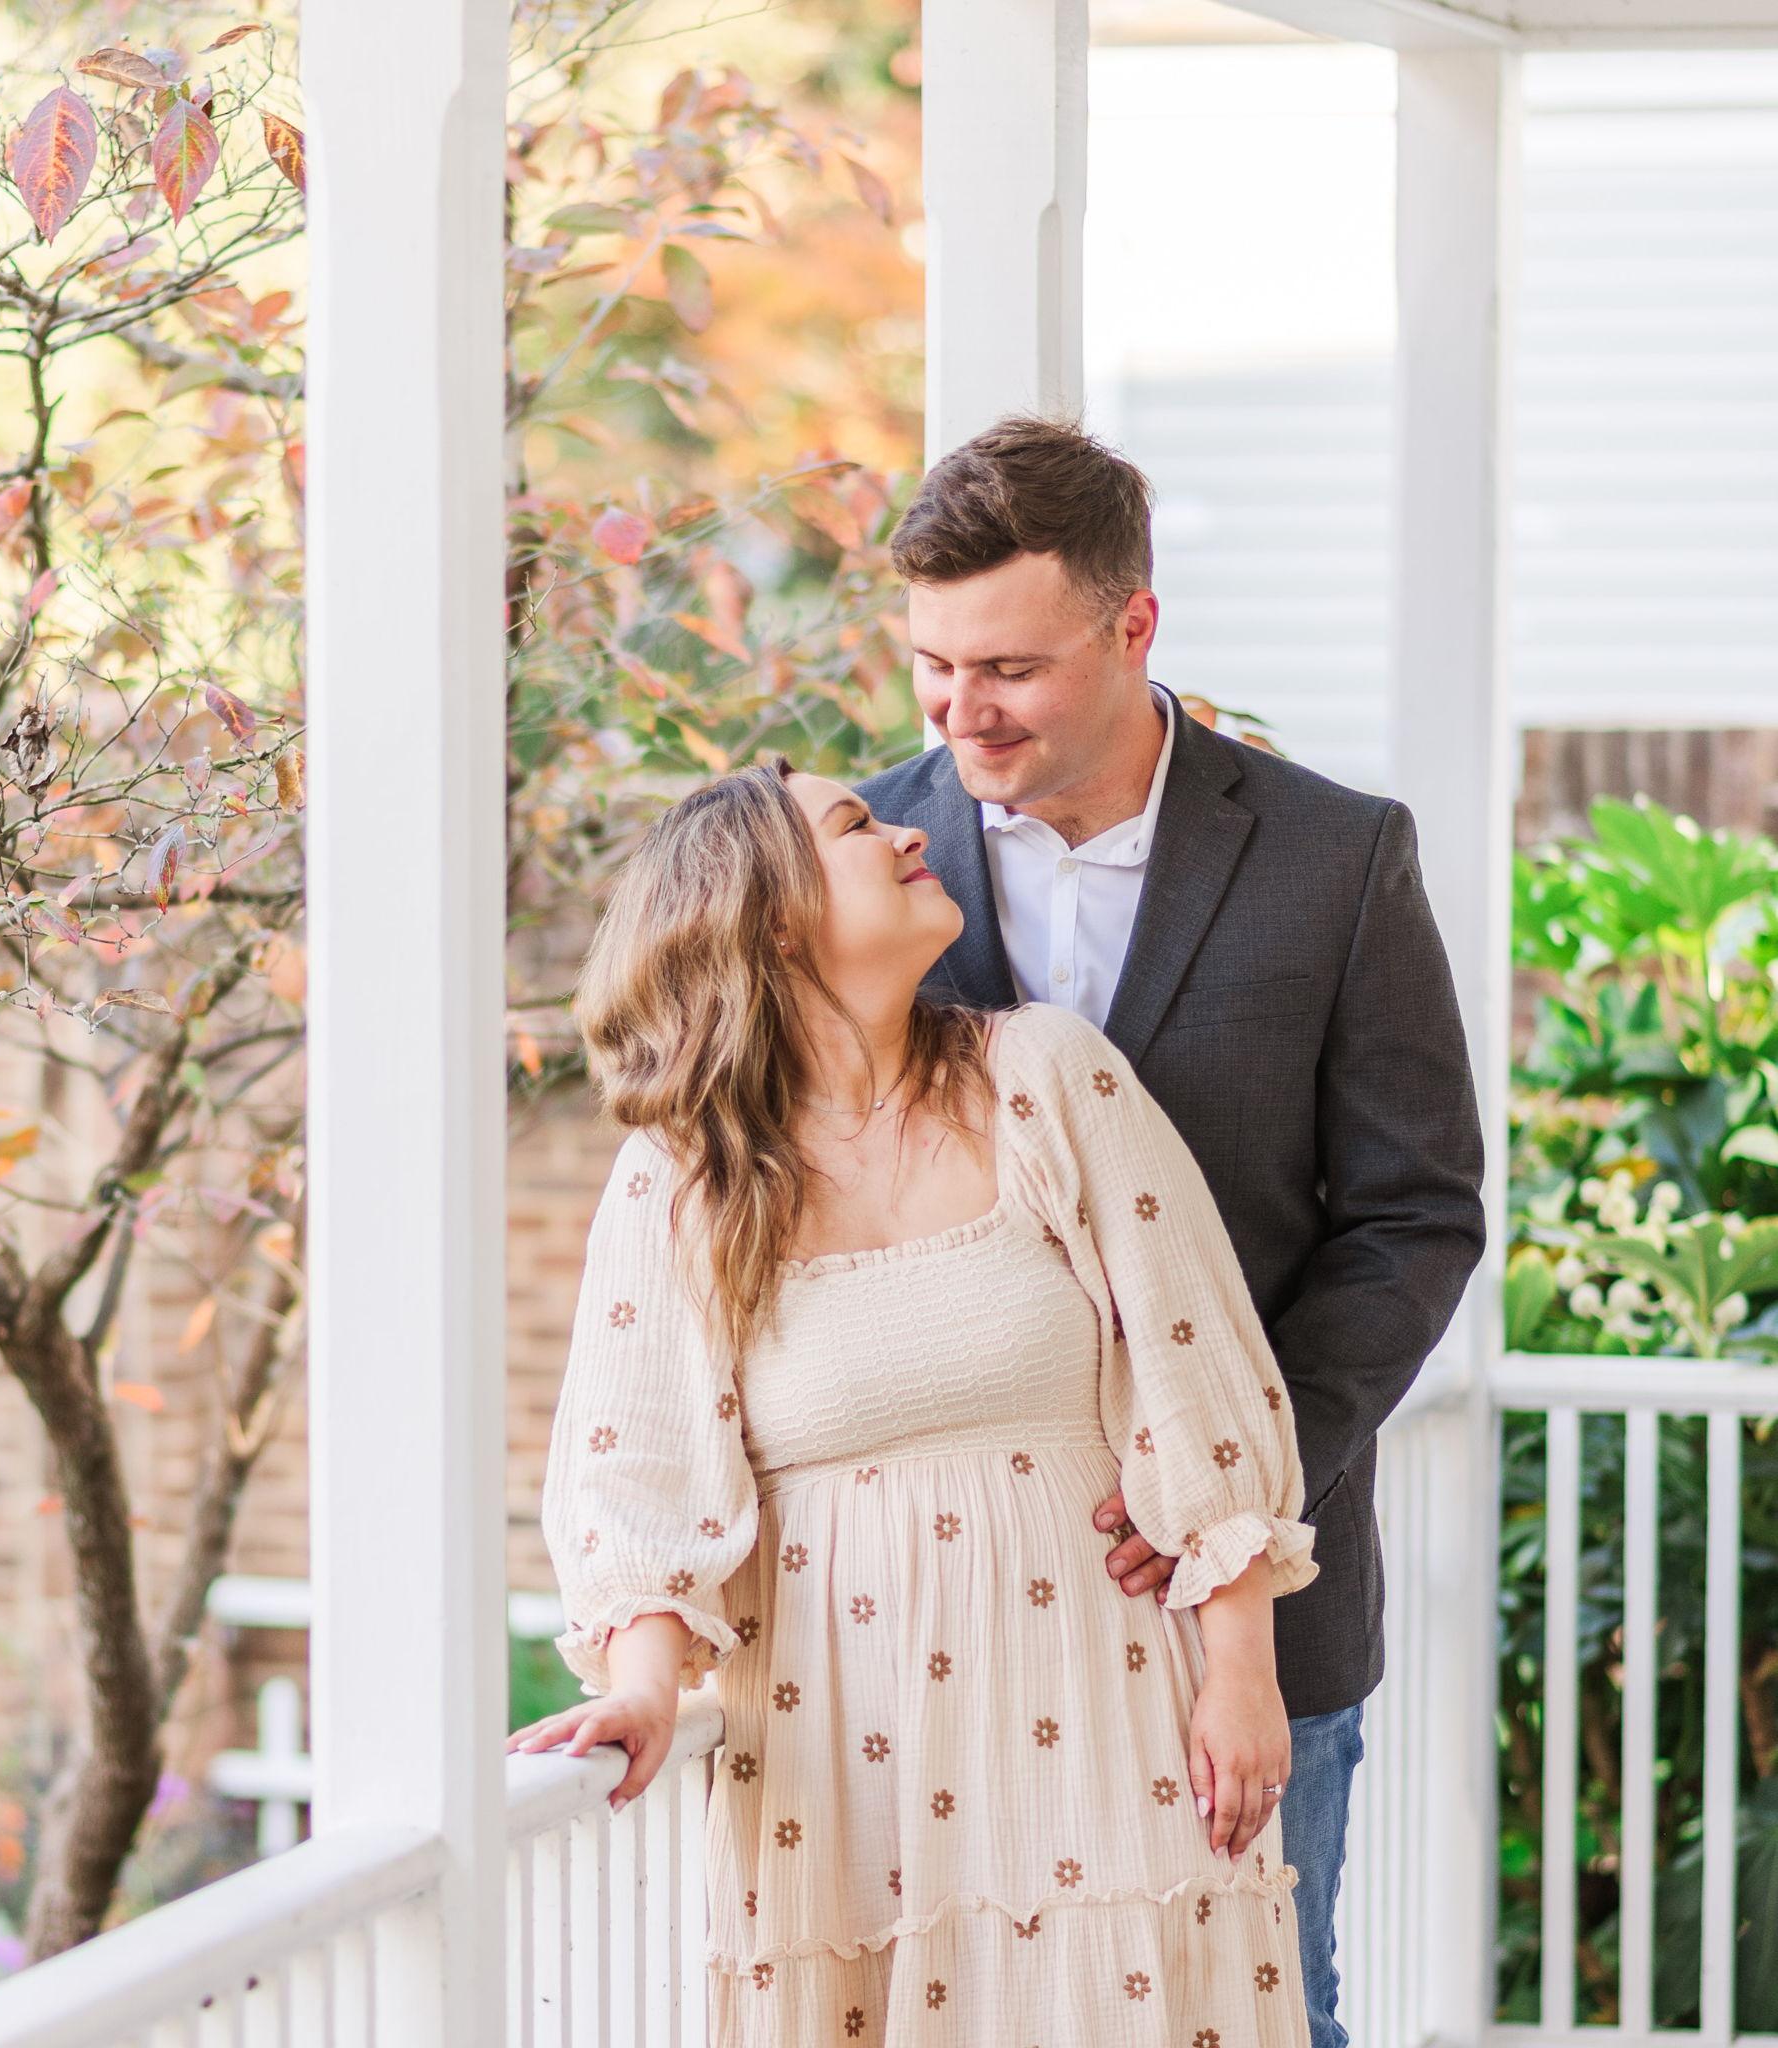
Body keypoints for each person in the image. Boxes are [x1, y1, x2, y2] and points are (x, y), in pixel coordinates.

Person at [510, 755, 1321, 2044]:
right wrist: (648, 1692)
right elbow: (636, 1470)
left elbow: (1199, 1374)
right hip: (847, 1778)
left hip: (1112, 1727)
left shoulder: (1048, 1077)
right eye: (853, 826)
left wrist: (1241, 1672)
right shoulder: (683, 1179)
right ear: (768, 916)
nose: (904, 830)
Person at [851, 414, 1488, 2047]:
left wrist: (1238, 1470)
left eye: (1007, 667)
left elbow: (1415, 1216)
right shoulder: (846, 865)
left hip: (1257, 1606)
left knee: (1275, 2011)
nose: (957, 712)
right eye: (931, 663)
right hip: (940, 1611)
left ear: (1135, 628)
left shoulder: (1343, 858)